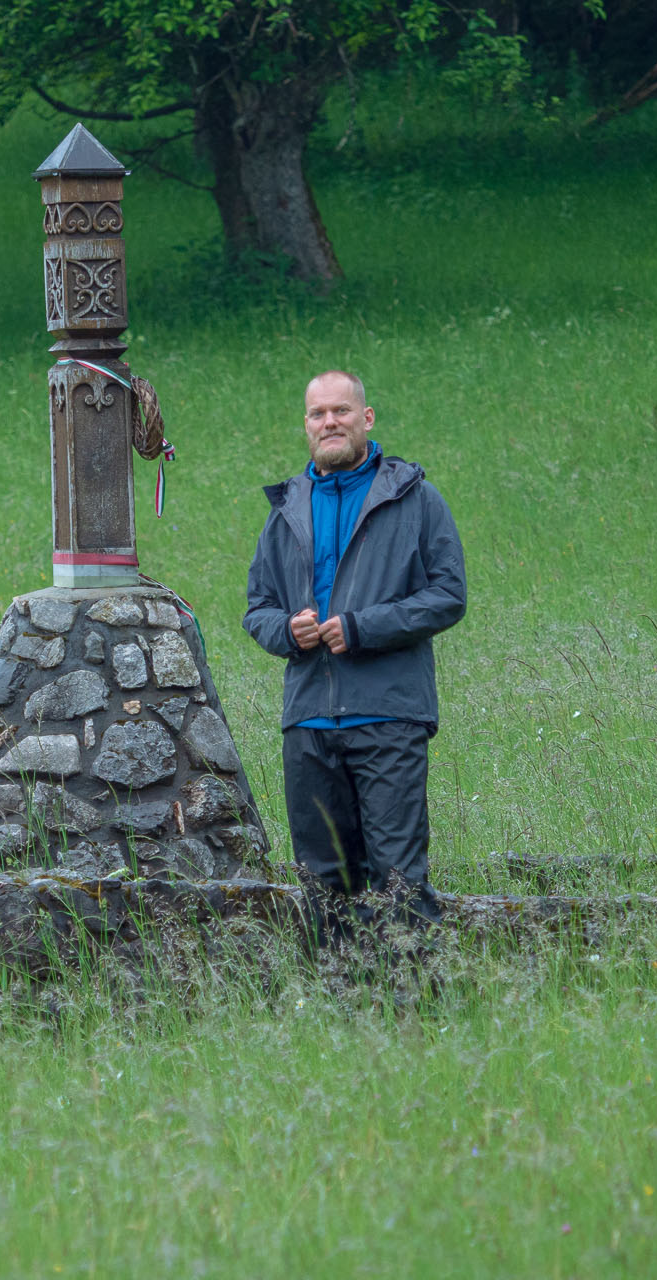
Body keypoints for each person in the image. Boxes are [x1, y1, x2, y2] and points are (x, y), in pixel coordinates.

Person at [243, 371, 467, 942]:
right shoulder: (286, 508)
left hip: (389, 715)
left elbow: (448, 596)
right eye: (317, 414)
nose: (329, 423)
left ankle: (412, 1011)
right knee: (321, 880)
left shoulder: (415, 498)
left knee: (398, 878)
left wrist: (362, 628)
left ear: (366, 419)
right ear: (306, 426)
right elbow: (257, 610)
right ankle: (337, 1007)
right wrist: (289, 631)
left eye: (341, 411)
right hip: (309, 721)